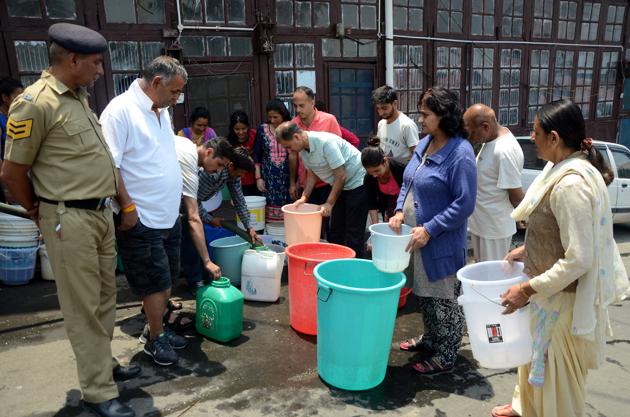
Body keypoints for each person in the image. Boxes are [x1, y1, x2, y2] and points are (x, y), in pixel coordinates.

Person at [0, 23, 137, 417]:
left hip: (99, 215)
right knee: (81, 307)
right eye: (95, 63)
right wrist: (35, 211)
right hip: (68, 218)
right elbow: (12, 173)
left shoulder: (77, 98)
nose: (100, 71)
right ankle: (98, 392)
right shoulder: (34, 103)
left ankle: (102, 366)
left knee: (104, 298)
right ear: (73, 59)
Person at [492, 100, 629, 417]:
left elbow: (579, 258)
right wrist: (526, 250)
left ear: (553, 137)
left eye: (536, 132)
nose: (532, 137)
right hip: (547, 295)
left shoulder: (570, 184)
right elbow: (557, 232)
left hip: (561, 302)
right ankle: (524, 406)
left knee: (556, 379)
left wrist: (526, 290)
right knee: (534, 358)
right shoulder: (559, 170)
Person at [100, 56, 189, 368]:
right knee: (154, 281)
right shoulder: (119, 111)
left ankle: (156, 328)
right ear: (156, 83)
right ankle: (155, 338)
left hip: (167, 214)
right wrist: (127, 207)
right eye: (175, 91)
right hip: (141, 216)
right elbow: (110, 167)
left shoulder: (161, 111)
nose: (177, 99)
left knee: (167, 279)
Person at [390, 86, 476, 374]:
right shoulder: (426, 143)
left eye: (426, 114)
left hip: (440, 242)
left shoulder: (460, 153)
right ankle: (430, 339)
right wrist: (400, 210)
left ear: (444, 115)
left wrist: (430, 229)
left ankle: (446, 354)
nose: (420, 119)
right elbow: (408, 182)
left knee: (444, 300)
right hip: (417, 239)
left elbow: (465, 203)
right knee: (424, 294)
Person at [276, 121, 368, 257]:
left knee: (354, 233)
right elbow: (312, 174)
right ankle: (337, 267)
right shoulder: (303, 150)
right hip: (340, 186)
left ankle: (358, 270)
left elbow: (341, 174)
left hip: (357, 183)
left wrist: (329, 203)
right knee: (335, 231)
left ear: (296, 137)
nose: (290, 151)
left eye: (289, 146)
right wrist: (304, 197)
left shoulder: (325, 143)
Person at [463, 103, 525, 262]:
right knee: (481, 276)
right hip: (482, 225)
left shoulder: (504, 150)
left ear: (485, 126)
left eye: (471, 132)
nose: (469, 137)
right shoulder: (490, 141)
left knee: (492, 279)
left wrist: (524, 218)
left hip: (494, 230)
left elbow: (516, 196)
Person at [176, 137, 234, 295]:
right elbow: (194, 217)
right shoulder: (190, 164)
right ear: (209, 152)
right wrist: (207, 261)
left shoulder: (188, 150)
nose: (219, 170)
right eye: (219, 164)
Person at [290, 86, 342, 238]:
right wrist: (292, 182)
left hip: (329, 181)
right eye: (295, 106)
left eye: (302, 105)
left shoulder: (329, 120)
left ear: (312, 102)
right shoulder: (293, 125)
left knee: (333, 225)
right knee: (310, 227)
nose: (298, 110)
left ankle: (332, 257)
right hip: (306, 183)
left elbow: (339, 148)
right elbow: (293, 156)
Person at [196, 146, 259, 241]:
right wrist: (210, 219)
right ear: (231, 166)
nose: (242, 176)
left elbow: (239, 200)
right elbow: (193, 201)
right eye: (241, 172)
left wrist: (249, 227)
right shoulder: (212, 173)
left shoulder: (234, 175)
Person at [253, 99, 292, 222]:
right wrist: (258, 178)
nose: (272, 120)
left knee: (289, 213)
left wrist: (294, 181)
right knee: (269, 219)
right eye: (270, 117)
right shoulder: (262, 130)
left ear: (283, 115)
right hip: (268, 179)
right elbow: (256, 156)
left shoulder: (290, 128)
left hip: (287, 178)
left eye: (276, 117)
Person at [361, 135, 406, 225]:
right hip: (387, 207)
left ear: (385, 161)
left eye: (377, 170)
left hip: (406, 205)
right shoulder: (369, 178)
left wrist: (400, 213)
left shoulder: (402, 170)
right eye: (370, 172)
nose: (374, 175)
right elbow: (372, 204)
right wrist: (375, 228)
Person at [373, 85, 419, 161]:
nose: (380, 113)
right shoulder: (381, 124)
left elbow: (416, 155)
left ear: (394, 104)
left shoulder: (407, 125)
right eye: (378, 108)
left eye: (384, 108)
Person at [0, 77, 24, 202]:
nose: (22, 101)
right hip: (8, 178)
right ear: (5, 98)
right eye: (18, 97)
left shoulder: (17, 117)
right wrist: (6, 188)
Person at [227, 110, 258, 195]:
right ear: (232, 128)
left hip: (256, 178)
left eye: (243, 128)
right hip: (240, 181)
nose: (241, 132)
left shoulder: (254, 135)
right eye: (237, 129)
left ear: (248, 126)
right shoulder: (229, 141)